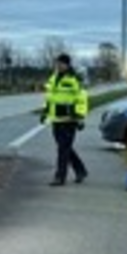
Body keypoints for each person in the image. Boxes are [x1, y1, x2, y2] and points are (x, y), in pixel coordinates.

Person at [41, 53, 89, 186]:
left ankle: (59, 177)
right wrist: (45, 111)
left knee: (63, 149)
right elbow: (49, 97)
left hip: (69, 119)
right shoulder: (53, 78)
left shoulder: (74, 79)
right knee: (65, 148)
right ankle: (81, 170)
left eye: (61, 63)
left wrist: (79, 116)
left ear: (67, 64)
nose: (58, 66)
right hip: (56, 119)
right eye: (57, 63)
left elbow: (82, 98)